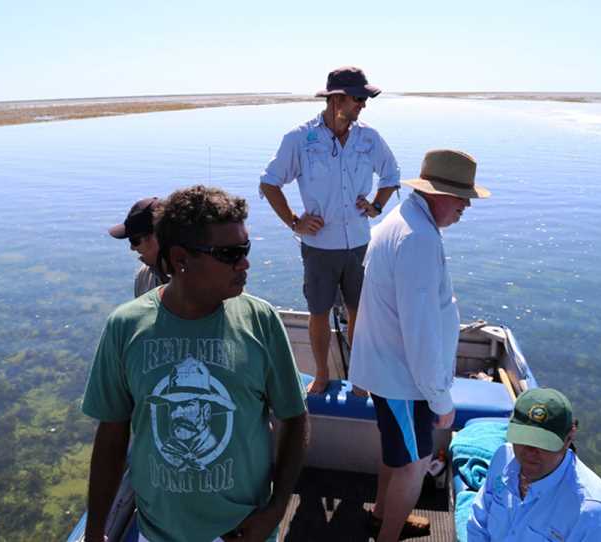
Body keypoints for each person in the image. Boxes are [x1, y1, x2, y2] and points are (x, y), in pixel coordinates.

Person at [82, 185, 309, 542]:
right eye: (230, 253)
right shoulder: (125, 327)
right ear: (180, 259)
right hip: (158, 532)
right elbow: (112, 433)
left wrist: (275, 510)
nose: (244, 262)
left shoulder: (261, 321)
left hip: (243, 532)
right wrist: (95, 530)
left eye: (245, 249)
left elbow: (294, 418)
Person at [349, 149, 490, 541]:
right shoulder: (419, 240)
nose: (465, 206)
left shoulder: (399, 221)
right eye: (462, 197)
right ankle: (387, 536)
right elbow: (422, 333)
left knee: (396, 455)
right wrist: (441, 400)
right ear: (438, 194)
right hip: (404, 381)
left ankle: (381, 516)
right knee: (416, 463)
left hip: (388, 371)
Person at [259, 66, 400, 394]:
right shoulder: (300, 138)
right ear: (336, 99)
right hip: (319, 245)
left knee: (359, 314)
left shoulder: (369, 138)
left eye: (365, 98)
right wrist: (294, 221)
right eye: (358, 98)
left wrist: (377, 206)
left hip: (359, 244)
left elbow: (391, 175)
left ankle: (360, 379)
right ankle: (321, 375)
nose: (363, 104)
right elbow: (270, 183)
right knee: (319, 312)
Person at [467, 388, 601, 541]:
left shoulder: (594, 514)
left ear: (569, 438)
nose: (530, 451)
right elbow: (478, 522)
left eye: (543, 443)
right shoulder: (502, 457)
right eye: (523, 437)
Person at [109, 197, 169, 297]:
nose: (132, 248)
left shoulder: (196, 279)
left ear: (156, 237)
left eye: (134, 240)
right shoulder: (143, 276)